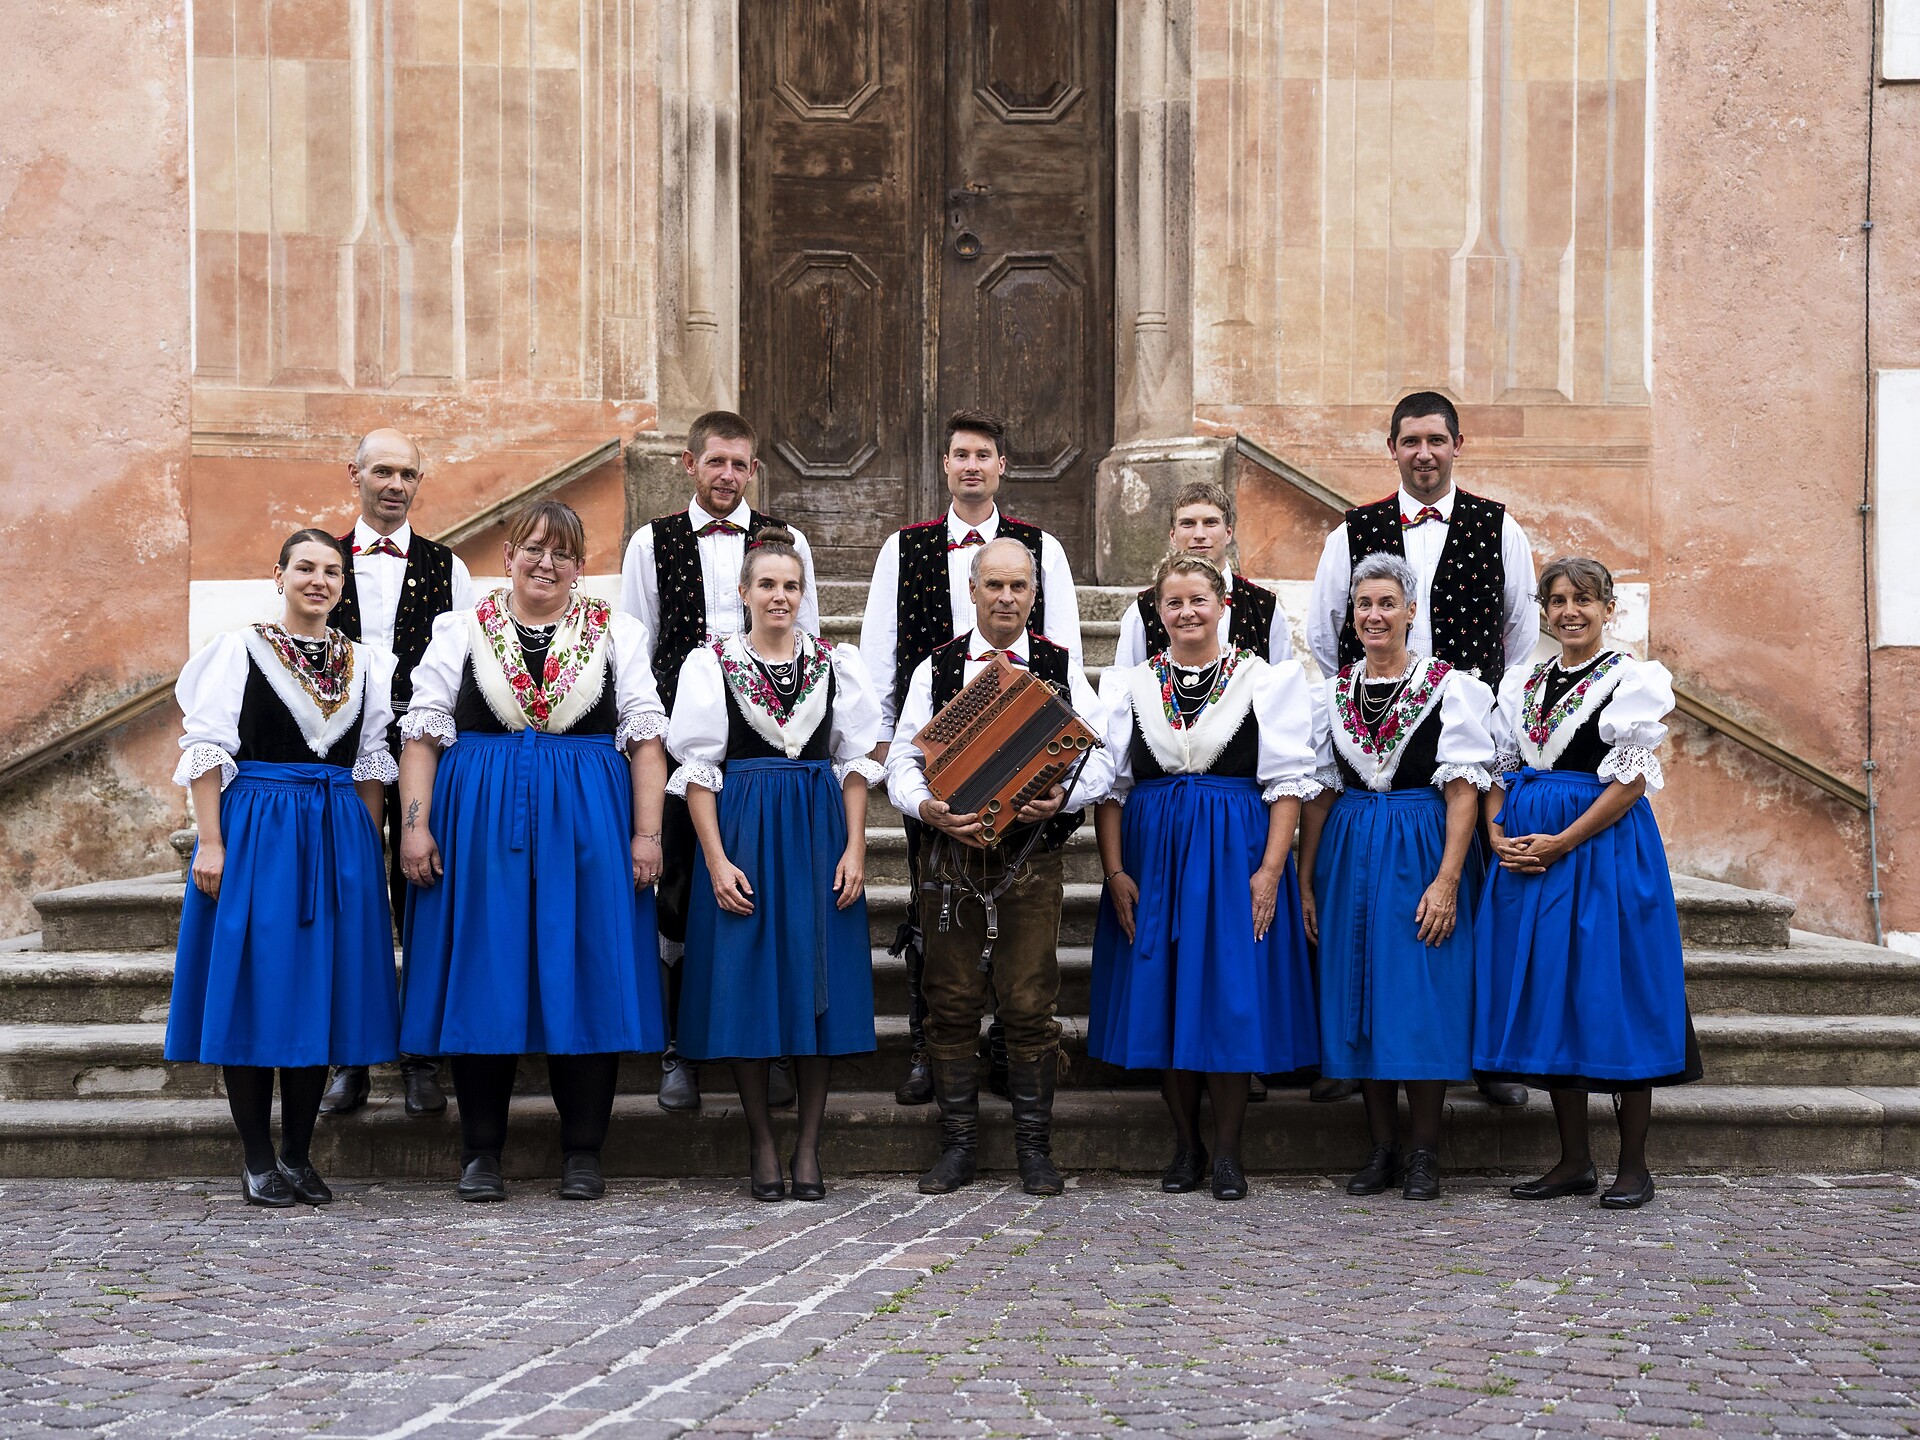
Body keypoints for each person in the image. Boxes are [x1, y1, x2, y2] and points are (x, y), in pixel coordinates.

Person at [398, 499, 669, 1203]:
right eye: (532, 548)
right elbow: (422, 735)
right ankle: (480, 1152)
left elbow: (644, 741)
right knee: (484, 972)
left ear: (581, 566)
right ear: (508, 555)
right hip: (480, 823)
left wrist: (646, 835)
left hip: (589, 824)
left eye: (562, 553)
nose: (545, 563)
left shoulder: (617, 631)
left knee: (587, 968)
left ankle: (582, 1151)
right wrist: (415, 824)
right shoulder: (460, 629)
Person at [1305, 390, 1539, 1110]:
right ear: (1394, 448)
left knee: (1473, 900)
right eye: (1411, 441)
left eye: (1437, 440)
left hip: (1472, 736)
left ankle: (1483, 1054)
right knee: (1374, 912)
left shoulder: (1500, 528)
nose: (1425, 453)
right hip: (1379, 731)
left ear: (1457, 446)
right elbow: (1323, 634)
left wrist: (1485, 717)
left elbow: (1522, 635)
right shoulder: (1352, 532)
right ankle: (1355, 1055)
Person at [166, 529, 402, 1207]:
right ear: (280, 575)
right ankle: (257, 1157)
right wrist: (209, 844)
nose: (319, 580)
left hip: (337, 833)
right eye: (305, 568)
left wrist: (369, 846)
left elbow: (370, 767)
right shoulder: (238, 650)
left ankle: (298, 1155)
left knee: (321, 992)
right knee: (256, 986)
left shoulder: (366, 663)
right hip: (259, 829)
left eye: (331, 571)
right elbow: (209, 751)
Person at [860, 409, 1084, 1107]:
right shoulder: (906, 548)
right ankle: (932, 1047)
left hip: (1023, 757)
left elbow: (1067, 651)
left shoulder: (1039, 547)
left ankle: (1008, 1048)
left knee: (1022, 927)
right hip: (940, 761)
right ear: (946, 465)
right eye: (960, 454)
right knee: (938, 915)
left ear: (1001, 465)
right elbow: (875, 651)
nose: (971, 465)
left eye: (983, 453)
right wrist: (890, 753)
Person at [885, 537, 1113, 1196]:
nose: (1007, 598)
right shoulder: (939, 668)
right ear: (974, 591)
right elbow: (902, 757)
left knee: (1029, 1003)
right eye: (995, 586)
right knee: (950, 1003)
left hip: (1032, 862)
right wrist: (925, 806)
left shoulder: (1059, 665)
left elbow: (1101, 758)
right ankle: (957, 1147)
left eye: (1019, 587)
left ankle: (1034, 1150)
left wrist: (1061, 797)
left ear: (1034, 596)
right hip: (951, 860)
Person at [1091, 554, 1321, 1201]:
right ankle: (1185, 1144)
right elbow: (1111, 789)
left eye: (1198, 599)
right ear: (1158, 612)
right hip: (1154, 856)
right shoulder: (1129, 685)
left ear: (1224, 605)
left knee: (1226, 999)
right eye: (1174, 603)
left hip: (1233, 855)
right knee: (1165, 998)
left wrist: (1271, 872)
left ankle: (1227, 1152)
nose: (1186, 612)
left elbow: (1286, 787)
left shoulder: (1265, 681)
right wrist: (1114, 872)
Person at [666, 525, 884, 1202]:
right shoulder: (711, 664)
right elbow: (699, 774)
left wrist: (855, 846)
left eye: (791, 585)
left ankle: (809, 1147)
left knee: (818, 985)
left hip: (820, 832)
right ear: (743, 592)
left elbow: (853, 764)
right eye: (767, 584)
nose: (780, 596)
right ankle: (762, 1143)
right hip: (745, 832)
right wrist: (715, 860)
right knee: (746, 987)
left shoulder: (834, 664)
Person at [1475, 557, 1701, 1209]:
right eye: (1557, 600)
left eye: (1584, 599)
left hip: (1602, 857)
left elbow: (1629, 782)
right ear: (1543, 611)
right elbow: (1500, 768)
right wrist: (1494, 833)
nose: (1569, 611)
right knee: (1554, 996)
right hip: (1530, 858)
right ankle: (1573, 1160)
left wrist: (1564, 841)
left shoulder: (1632, 679)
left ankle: (1634, 1165)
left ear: (1609, 608)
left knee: (1615, 994)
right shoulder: (1523, 681)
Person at [620, 411, 818, 1114]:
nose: (727, 476)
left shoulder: (784, 542)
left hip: (768, 750)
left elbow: (809, 637)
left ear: (754, 468)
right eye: (716, 463)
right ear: (689, 463)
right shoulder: (652, 541)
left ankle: (774, 1041)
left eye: (740, 464)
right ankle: (680, 1047)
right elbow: (636, 648)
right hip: (684, 747)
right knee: (678, 892)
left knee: (767, 896)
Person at [1297, 553, 1496, 1202]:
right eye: (1364, 605)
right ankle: (1381, 1147)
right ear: (1350, 617)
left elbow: (1464, 791)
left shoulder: (1451, 688)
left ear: (1413, 612)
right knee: (1359, 990)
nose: (1375, 615)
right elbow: (1320, 794)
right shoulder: (1330, 693)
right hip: (1350, 848)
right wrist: (1303, 878)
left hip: (1421, 844)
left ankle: (1425, 1154)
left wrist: (1447, 880)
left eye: (1387, 603)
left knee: (1420, 997)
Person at [321, 428, 475, 1121]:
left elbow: (465, 665)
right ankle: (348, 1060)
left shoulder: (450, 568)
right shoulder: (319, 559)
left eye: (408, 474)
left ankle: (419, 1057)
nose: (395, 485)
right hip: (337, 753)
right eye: (382, 471)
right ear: (354, 474)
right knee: (349, 901)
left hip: (421, 750)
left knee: (421, 896)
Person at [1112, 482, 1293, 669]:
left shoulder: (1265, 607)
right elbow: (1126, 683)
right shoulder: (1143, 610)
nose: (1199, 534)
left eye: (1210, 523)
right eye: (1188, 524)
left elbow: (1283, 687)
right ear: (1173, 535)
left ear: (1228, 533)